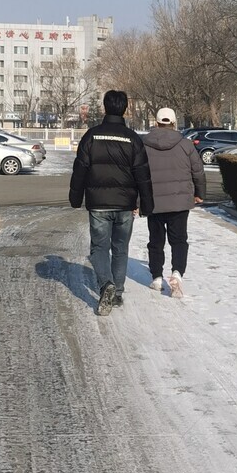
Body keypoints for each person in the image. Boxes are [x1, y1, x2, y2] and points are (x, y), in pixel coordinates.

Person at [69, 90, 154, 316]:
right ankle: (116, 292)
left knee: (99, 247)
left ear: (105, 107)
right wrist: (147, 203)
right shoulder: (133, 138)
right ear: (124, 109)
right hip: (125, 205)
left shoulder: (91, 136)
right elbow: (142, 174)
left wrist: (75, 197)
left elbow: (80, 170)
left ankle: (105, 283)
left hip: (98, 204)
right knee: (120, 248)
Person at [142, 107, 206, 297]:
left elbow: (137, 173)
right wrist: (199, 193)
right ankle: (177, 274)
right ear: (174, 123)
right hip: (179, 201)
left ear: (156, 123)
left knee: (156, 241)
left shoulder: (144, 144)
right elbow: (198, 171)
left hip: (153, 201)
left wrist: (137, 200)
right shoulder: (185, 145)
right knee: (179, 240)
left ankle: (156, 277)